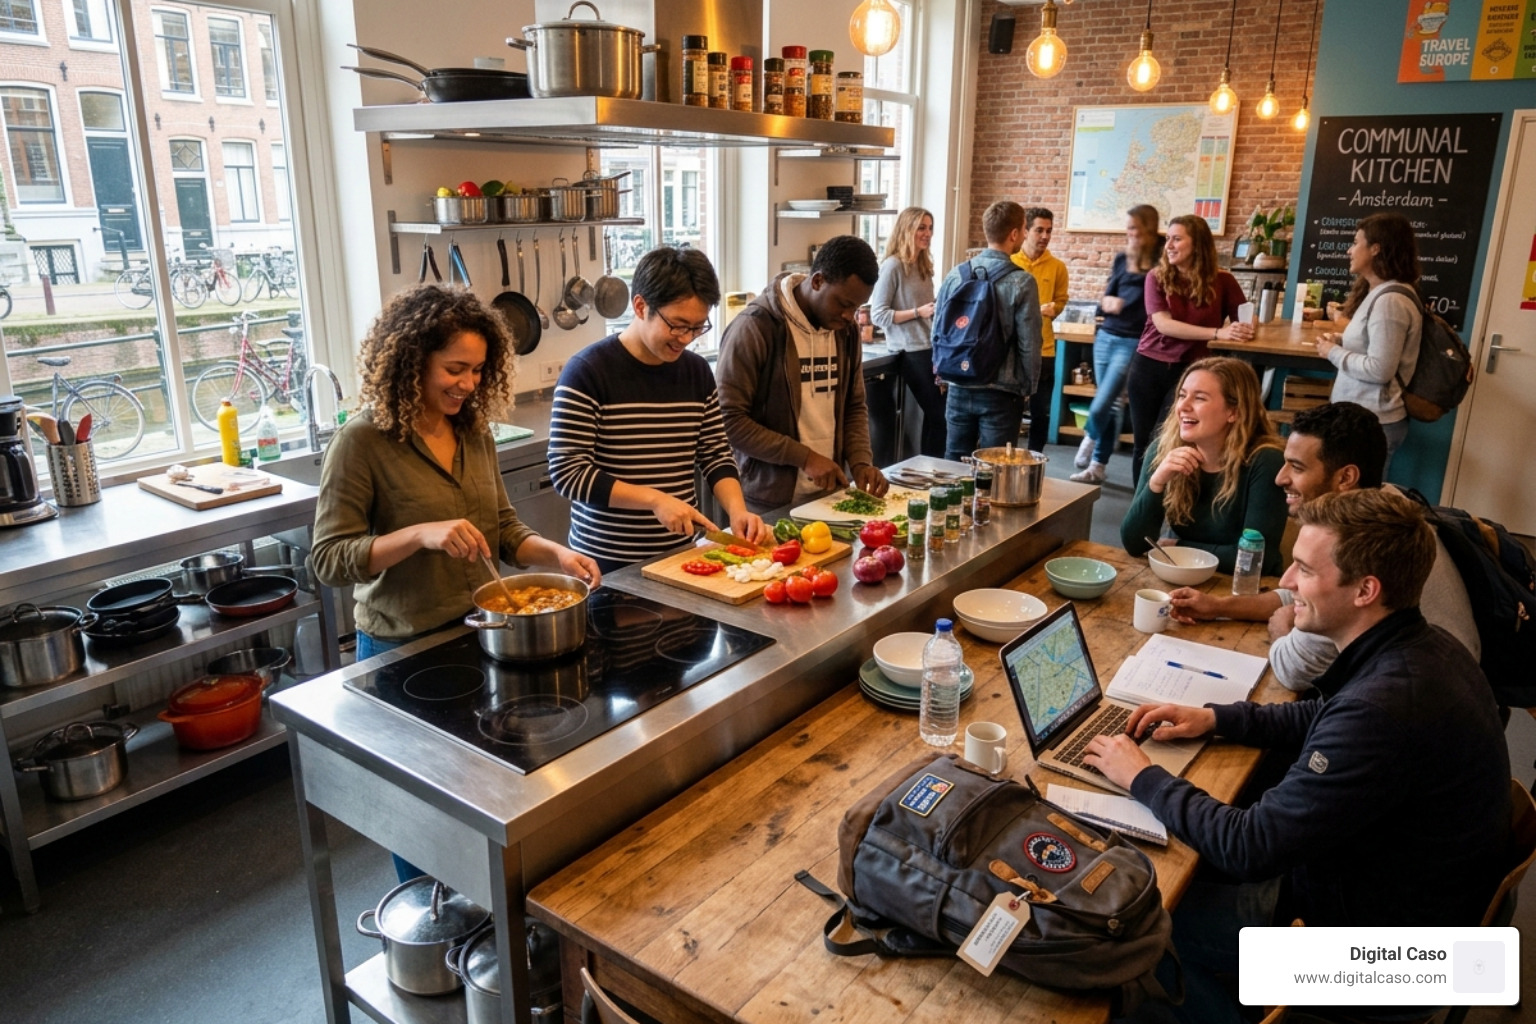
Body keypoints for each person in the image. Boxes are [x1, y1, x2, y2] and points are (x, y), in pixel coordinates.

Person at [1087, 488, 1510, 1024]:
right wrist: (1218, 718)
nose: (1285, 583)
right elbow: (1326, 716)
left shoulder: (1385, 710)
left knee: (1130, 930)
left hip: (1378, 967)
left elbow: (1250, 845)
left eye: (1305, 570)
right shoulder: (1423, 649)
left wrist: (1142, 777)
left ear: (1365, 590)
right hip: (1419, 919)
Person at [312, 284, 600, 660]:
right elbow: (329, 561)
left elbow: (503, 528)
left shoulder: (473, 430)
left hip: (482, 629)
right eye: (455, 369)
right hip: (400, 646)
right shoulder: (362, 441)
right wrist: (418, 535)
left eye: (478, 370)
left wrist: (558, 556)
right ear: (413, 362)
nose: (469, 384)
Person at [1166, 401, 1479, 691]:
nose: (1280, 478)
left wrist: (1285, 628)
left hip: (1417, 702)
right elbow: (1298, 592)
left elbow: (1293, 668)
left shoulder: (1361, 541)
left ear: (1346, 478)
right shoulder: (1385, 502)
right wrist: (1218, 607)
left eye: (1297, 467)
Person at [547, 246, 770, 573]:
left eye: (697, 327)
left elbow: (715, 453)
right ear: (641, 306)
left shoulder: (696, 371)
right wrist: (654, 499)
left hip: (680, 558)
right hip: (607, 566)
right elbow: (567, 472)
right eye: (678, 325)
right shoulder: (588, 371)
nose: (687, 339)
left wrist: (738, 511)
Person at [717, 235, 887, 513]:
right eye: (843, 303)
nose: (849, 316)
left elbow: (854, 406)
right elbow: (729, 420)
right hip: (766, 500)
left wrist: (860, 463)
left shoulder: (845, 331)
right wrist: (804, 458)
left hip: (829, 495)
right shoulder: (756, 327)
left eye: (856, 308)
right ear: (817, 281)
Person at [1120, 357, 1288, 575]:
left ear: (1233, 411)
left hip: (1243, 590)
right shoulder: (1164, 451)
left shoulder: (1266, 461)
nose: (1183, 406)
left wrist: (1179, 547)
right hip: (1185, 578)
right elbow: (1134, 544)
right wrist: (1157, 482)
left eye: (1199, 398)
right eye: (1182, 395)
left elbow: (1257, 560)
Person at [1125, 214, 1253, 488]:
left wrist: (1246, 327)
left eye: (1177, 239)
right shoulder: (1156, 277)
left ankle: (1175, 504)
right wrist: (1218, 333)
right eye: (1168, 239)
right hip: (1148, 366)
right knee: (1144, 443)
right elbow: (1164, 325)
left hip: (1192, 374)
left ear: (1198, 245)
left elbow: (1245, 317)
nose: (1168, 245)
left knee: (1171, 441)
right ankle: (1143, 502)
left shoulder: (1223, 281)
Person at [934, 200, 1042, 460]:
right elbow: (1030, 342)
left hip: (958, 384)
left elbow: (938, 328)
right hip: (1001, 390)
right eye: (1025, 230)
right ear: (1014, 234)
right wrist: (1028, 386)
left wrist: (940, 372)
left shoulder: (955, 275)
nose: (1025, 235)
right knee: (995, 467)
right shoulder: (1022, 281)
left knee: (954, 466)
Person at [1316, 212, 1423, 472]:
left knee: (1359, 505)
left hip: (1374, 421)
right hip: (1362, 418)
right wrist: (1341, 340)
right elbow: (1373, 343)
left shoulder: (1390, 302)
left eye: (1355, 242)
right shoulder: (1381, 293)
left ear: (1376, 249)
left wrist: (1333, 352)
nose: (1349, 251)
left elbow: (1380, 369)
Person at [1071, 204, 1162, 484]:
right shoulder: (1122, 259)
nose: (1130, 234)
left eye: (1135, 228)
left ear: (1148, 230)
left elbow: (1151, 307)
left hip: (1132, 341)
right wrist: (1109, 302)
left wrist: (1123, 304)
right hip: (1106, 336)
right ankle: (1097, 467)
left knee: (1103, 404)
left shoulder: (1160, 265)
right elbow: (1108, 296)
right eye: (1128, 228)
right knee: (1109, 404)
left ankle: (1090, 434)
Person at [869, 207, 946, 457]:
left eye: (930, 227)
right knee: (939, 416)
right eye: (921, 228)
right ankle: (933, 469)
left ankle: (930, 467)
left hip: (930, 349)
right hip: (909, 352)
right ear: (907, 230)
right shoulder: (892, 267)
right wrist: (917, 312)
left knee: (936, 416)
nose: (927, 233)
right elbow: (878, 315)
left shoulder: (923, 266)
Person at [1012, 206, 1069, 454]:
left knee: (1041, 412)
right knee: (1011, 410)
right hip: (1013, 350)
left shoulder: (1057, 267)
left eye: (1049, 231)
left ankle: (1035, 457)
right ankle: (1007, 455)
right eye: (1039, 230)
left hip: (1044, 349)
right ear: (1025, 231)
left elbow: (1061, 300)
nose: (1045, 236)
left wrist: (1052, 309)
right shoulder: (1011, 262)